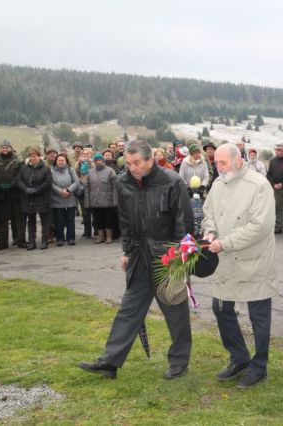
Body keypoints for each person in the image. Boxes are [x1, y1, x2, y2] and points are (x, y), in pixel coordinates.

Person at [78, 140, 194, 380]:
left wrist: (179, 259)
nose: (132, 168)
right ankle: (110, 361)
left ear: (150, 159)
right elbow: (126, 222)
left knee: (175, 310)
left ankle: (179, 361)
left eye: (137, 163)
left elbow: (184, 223)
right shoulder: (123, 182)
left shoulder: (172, 182)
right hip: (139, 256)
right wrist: (127, 251)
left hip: (168, 256)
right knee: (129, 310)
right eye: (129, 163)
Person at [202, 144, 277, 389]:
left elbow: (260, 226)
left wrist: (226, 242)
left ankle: (259, 366)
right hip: (224, 261)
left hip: (253, 261)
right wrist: (210, 232)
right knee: (221, 309)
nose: (218, 167)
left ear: (237, 160)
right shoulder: (217, 184)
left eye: (222, 162)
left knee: (259, 316)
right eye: (215, 163)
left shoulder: (259, 185)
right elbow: (208, 213)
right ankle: (239, 358)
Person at [0, 139, 26, 249]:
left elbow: (20, 175)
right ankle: (3, 243)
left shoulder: (18, 160)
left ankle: (21, 241)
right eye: (3, 147)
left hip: (16, 193)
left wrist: (12, 185)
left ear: (11, 148)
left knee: (19, 219)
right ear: (0, 148)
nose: (5, 149)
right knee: (2, 221)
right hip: (1, 194)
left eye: (7, 147)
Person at [17, 147, 53, 250]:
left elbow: (48, 182)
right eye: (31, 156)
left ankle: (44, 241)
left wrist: (37, 190)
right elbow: (19, 180)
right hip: (28, 198)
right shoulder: (24, 168)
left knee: (44, 221)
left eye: (35, 156)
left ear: (39, 156)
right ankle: (32, 242)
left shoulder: (46, 168)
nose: (33, 158)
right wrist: (26, 189)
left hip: (42, 198)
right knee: (31, 221)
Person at [85, 153, 118, 244]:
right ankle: (100, 237)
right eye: (96, 161)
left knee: (108, 220)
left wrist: (115, 201)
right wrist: (87, 202)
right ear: (94, 162)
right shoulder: (90, 172)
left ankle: (109, 237)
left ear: (103, 161)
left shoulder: (110, 171)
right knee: (98, 220)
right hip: (95, 200)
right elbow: (87, 187)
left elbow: (115, 187)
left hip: (108, 201)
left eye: (100, 160)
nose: (98, 162)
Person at [50, 154, 79, 246]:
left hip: (70, 198)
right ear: (56, 161)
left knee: (70, 220)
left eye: (63, 160)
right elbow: (50, 183)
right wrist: (60, 191)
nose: (61, 162)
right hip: (57, 198)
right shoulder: (51, 171)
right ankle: (60, 239)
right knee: (59, 221)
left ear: (66, 161)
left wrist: (68, 190)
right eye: (59, 160)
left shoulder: (71, 170)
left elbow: (76, 181)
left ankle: (71, 238)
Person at [75, 148, 95, 238]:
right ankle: (87, 231)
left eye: (88, 154)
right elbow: (75, 173)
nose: (86, 155)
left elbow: (96, 171)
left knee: (94, 212)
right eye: (84, 154)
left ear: (91, 154)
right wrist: (79, 164)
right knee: (85, 212)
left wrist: (90, 164)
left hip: (93, 190)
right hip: (82, 189)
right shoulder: (79, 163)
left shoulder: (94, 162)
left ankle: (97, 230)